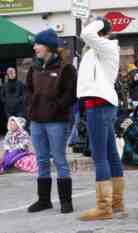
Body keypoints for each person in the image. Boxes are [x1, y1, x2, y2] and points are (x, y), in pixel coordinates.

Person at [77, 17, 126, 221]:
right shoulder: (100, 49)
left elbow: (86, 34)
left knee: (101, 156)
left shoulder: (105, 46)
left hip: (99, 105)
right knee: (110, 154)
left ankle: (104, 207)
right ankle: (116, 203)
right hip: (101, 104)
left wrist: (99, 21)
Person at [25, 29, 77, 214]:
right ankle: (44, 200)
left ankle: (66, 202)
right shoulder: (34, 67)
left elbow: (70, 95)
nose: (35, 47)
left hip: (56, 121)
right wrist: (31, 108)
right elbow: (29, 91)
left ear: (48, 46)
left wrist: (55, 107)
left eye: (38, 44)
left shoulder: (66, 68)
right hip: (37, 121)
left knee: (60, 160)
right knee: (41, 160)